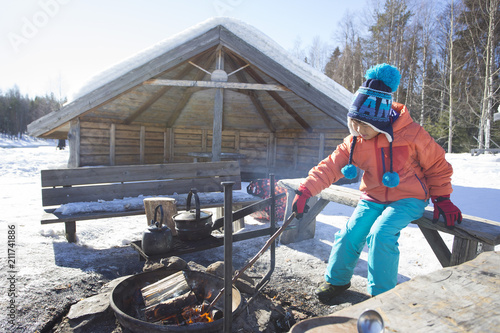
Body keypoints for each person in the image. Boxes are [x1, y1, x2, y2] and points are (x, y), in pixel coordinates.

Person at [292, 63, 462, 301]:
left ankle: (383, 297)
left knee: (380, 234)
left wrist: (443, 198)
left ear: (379, 121)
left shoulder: (412, 134)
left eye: (363, 125)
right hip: (373, 197)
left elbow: (437, 164)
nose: (358, 130)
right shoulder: (356, 141)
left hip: (408, 197)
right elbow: (330, 166)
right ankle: (336, 281)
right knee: (350, 233)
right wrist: (306, 190)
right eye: (354, 123)